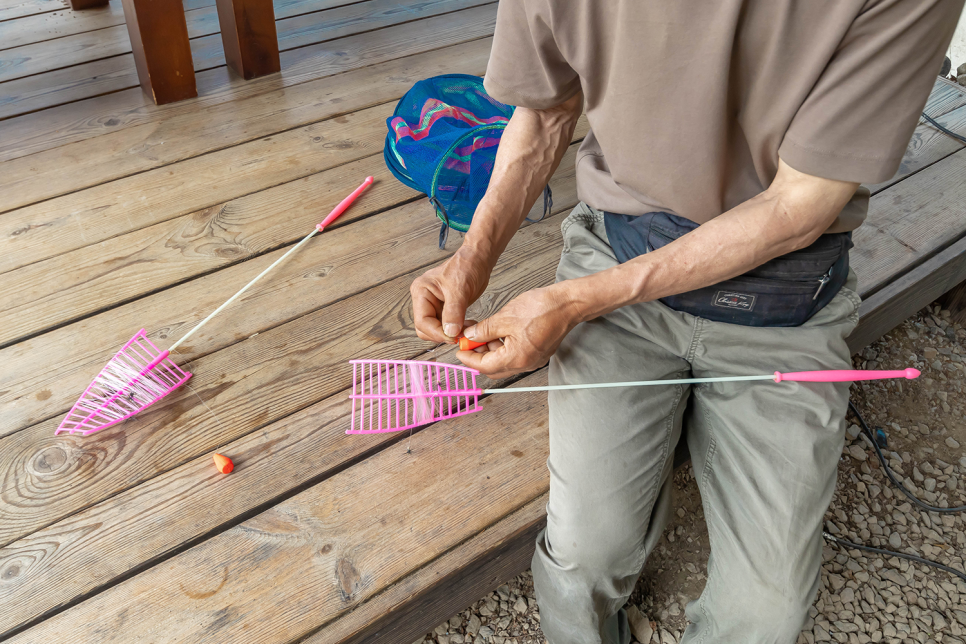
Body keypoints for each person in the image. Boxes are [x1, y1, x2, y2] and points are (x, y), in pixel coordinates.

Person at [409, 1, 964, 642]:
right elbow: (543, 112)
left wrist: (572, 303)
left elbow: (800, 207)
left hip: (784, 300)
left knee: (768, 611)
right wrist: (472, 258)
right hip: (617, 251)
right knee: (584, 554)